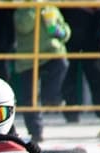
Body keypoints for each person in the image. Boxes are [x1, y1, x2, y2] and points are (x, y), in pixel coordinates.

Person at [13, 3, 70, 143]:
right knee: (30, 97)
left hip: (52, 52)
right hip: (28, 57)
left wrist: (57, 30)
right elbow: (24, 27)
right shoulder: (23, 9)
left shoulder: (51, 7)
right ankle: (36, 131)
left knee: (61, 64)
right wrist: (35, 10)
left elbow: (65, 31)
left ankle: (50, 97)